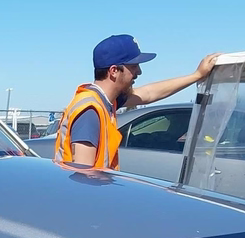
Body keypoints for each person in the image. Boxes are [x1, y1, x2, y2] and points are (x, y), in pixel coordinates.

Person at [53, 34, 220, 169]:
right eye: (134, 66)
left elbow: (148, 93)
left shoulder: (104, 102)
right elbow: (83, 176)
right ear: (114, 71)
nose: (139, 72)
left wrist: (196, 75)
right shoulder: (90, 111)